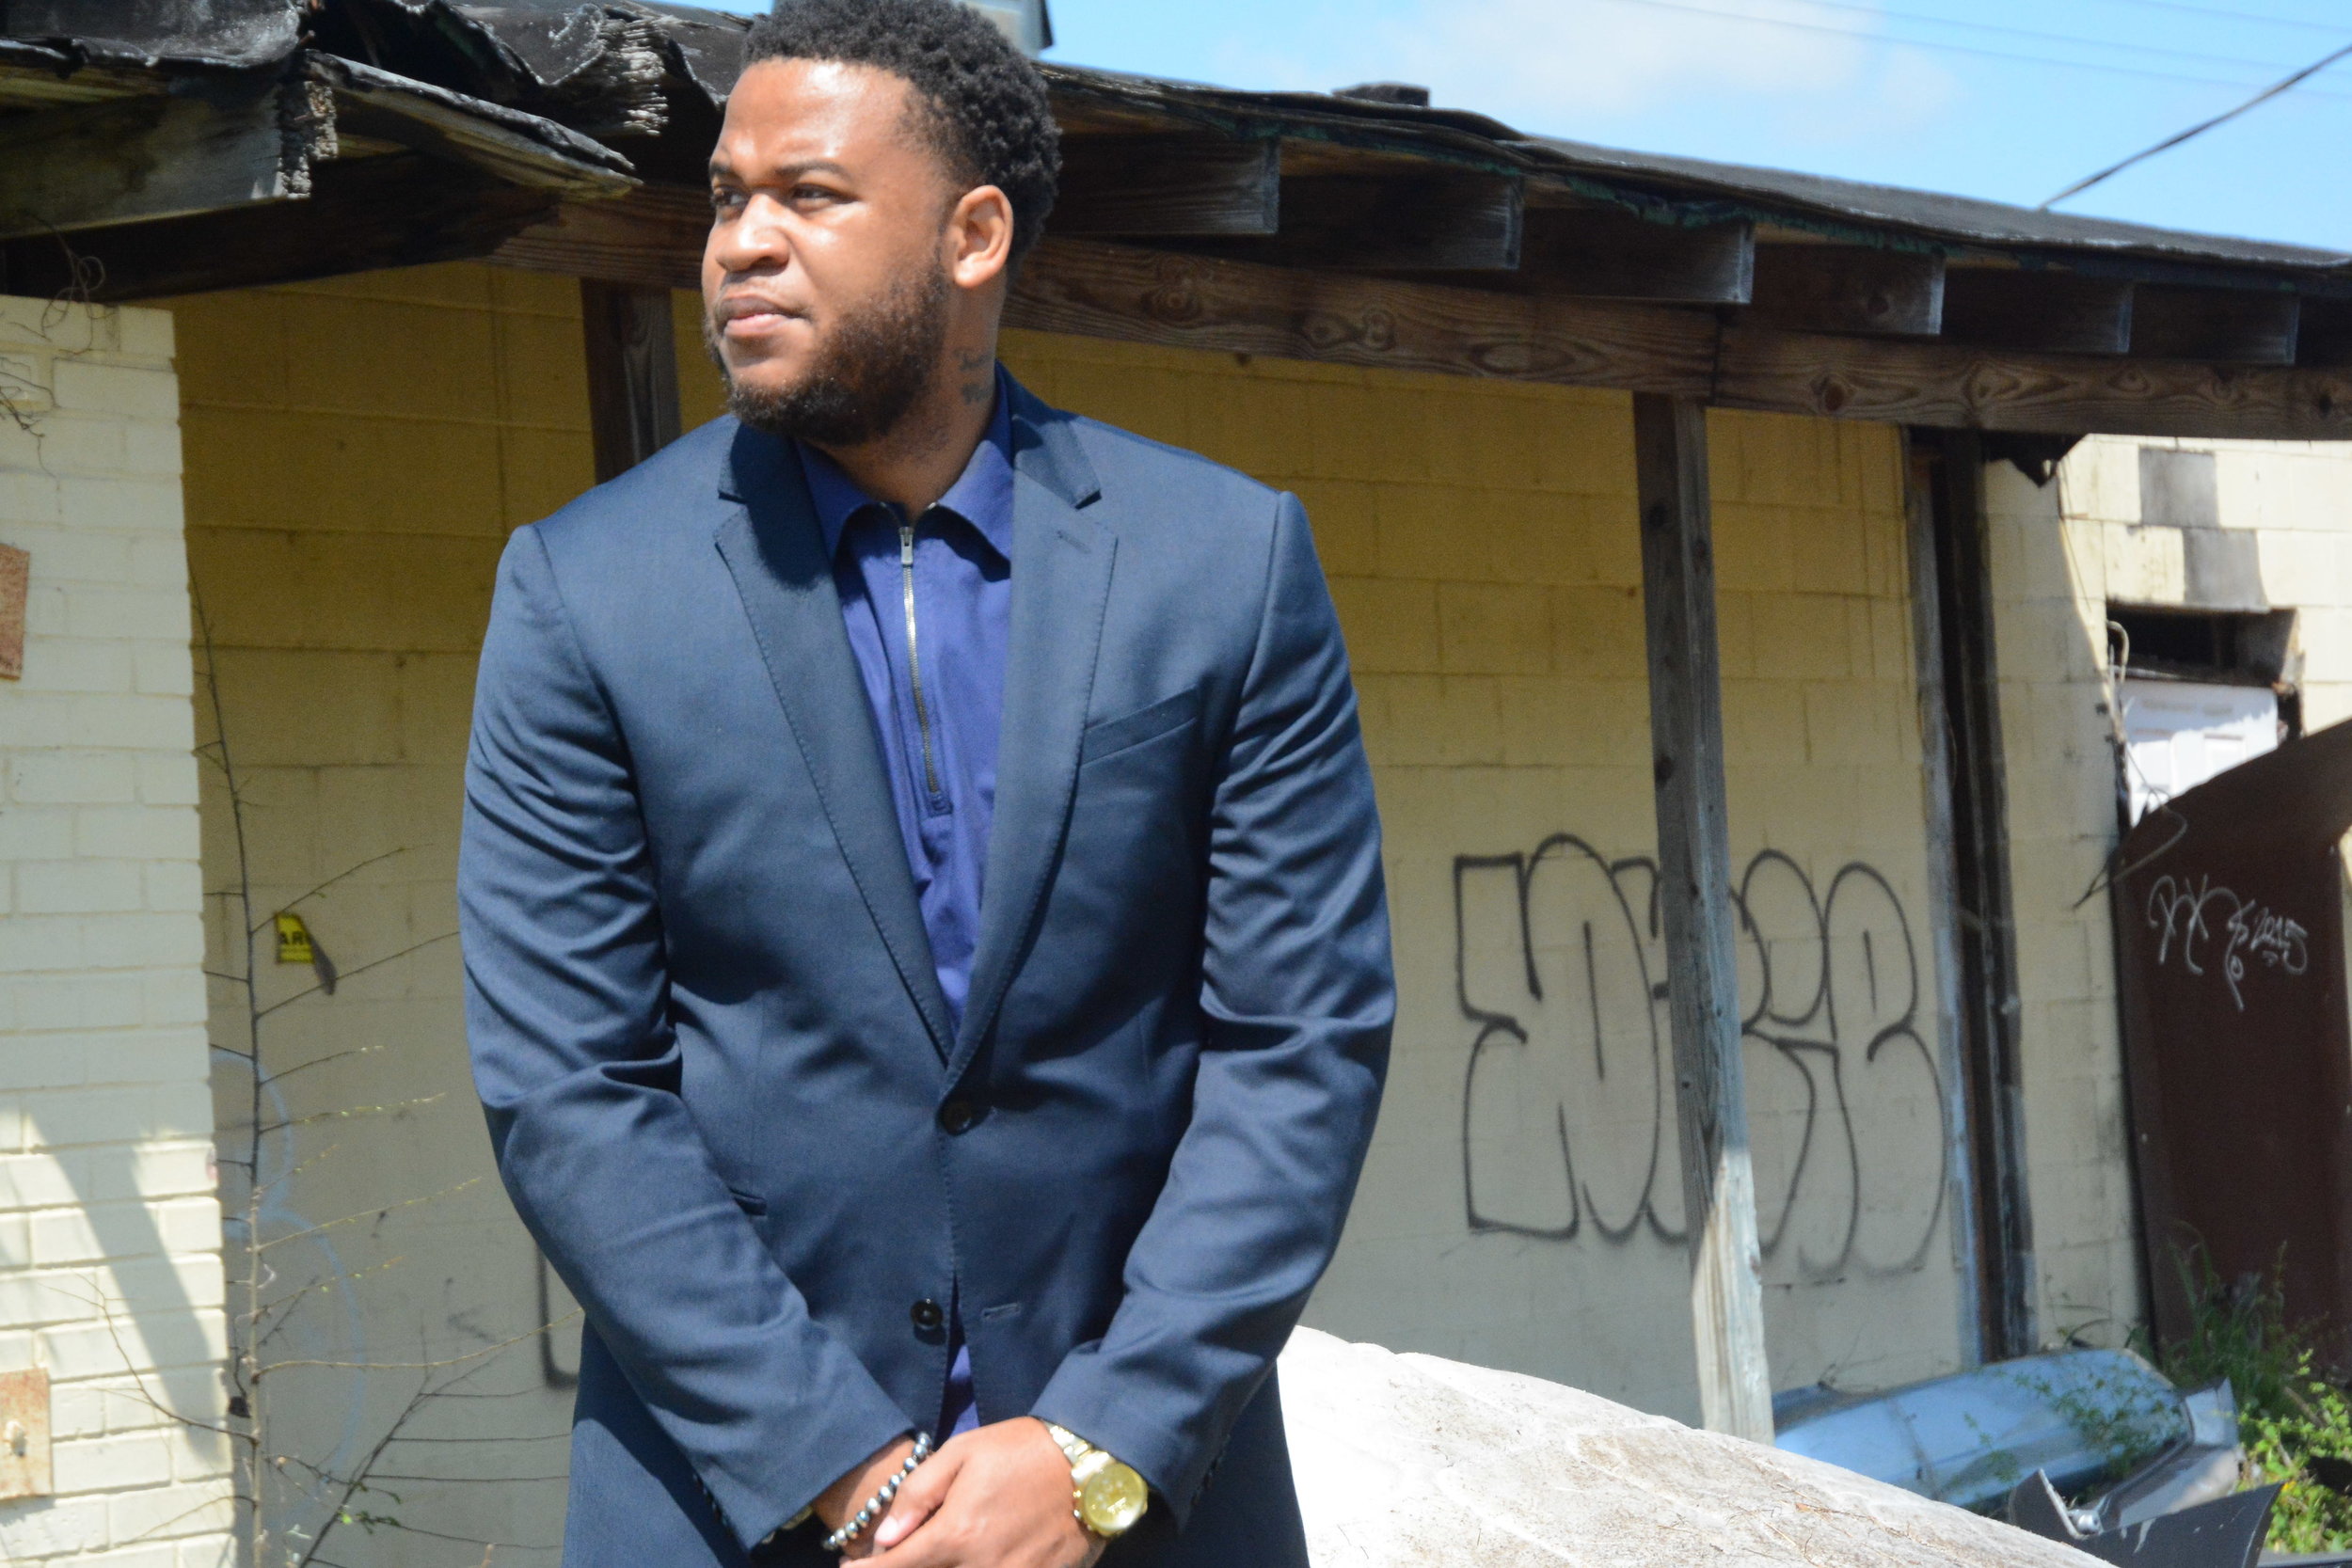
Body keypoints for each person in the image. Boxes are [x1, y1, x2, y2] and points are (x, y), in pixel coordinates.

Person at [459, 0, 1392, 1561]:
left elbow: (1299, 1041)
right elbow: (569, 1088)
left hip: (1152, 1504)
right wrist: (849, 1468)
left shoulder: (1222, 565)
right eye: (724, 198)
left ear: (974, 235)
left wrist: (1102, 1448)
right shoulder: (584, 593)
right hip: (734, 1504)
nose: (741, 243)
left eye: (808, 196)